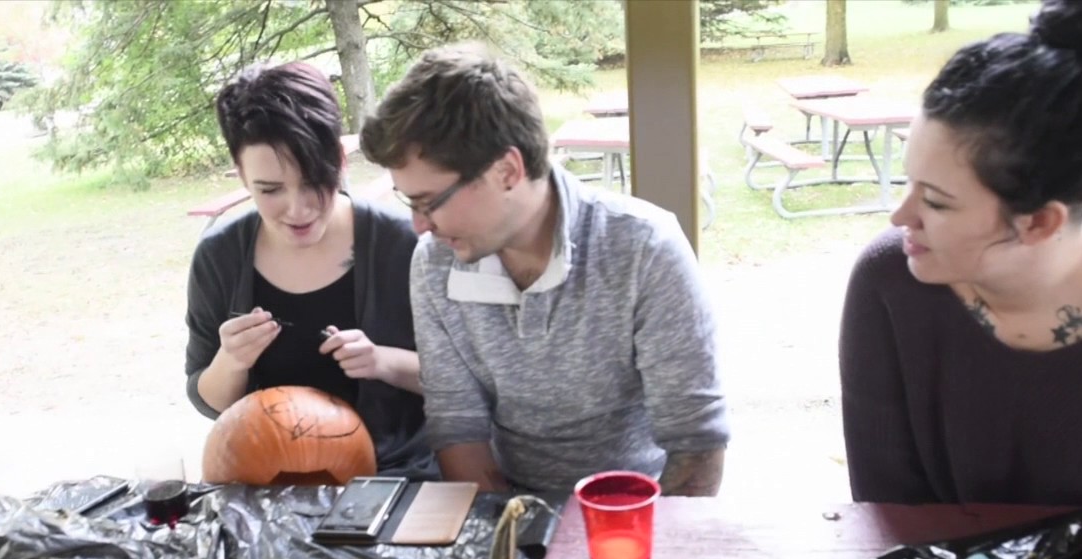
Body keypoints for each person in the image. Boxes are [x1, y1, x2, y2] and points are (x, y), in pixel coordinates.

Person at [358, 44, 730, 495]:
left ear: (507, 171)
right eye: (409, 203)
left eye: (430, 202)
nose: (420, 225)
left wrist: (631, 534)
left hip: (638, 506)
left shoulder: (645, 248)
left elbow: (696, 444)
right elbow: (457, 425)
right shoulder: (434, 262)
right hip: (507, 504)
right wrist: (510, 532)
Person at [840, 0, 1082, 505]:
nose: (900, 216)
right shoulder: (890, 280)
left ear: (1039, 222)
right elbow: (888, 512)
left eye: (936, 201)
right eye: (909, 182)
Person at [184, 61, 436, 481]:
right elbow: (209, 401)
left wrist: (382, 361)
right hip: (264, 483)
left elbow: (465, 385)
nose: (297, 209)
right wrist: (231, 360)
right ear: (242, 175)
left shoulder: (403, 245)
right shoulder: (220, 256)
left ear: (340, 159)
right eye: (270, 190)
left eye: (314, 181)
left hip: (397, 477)